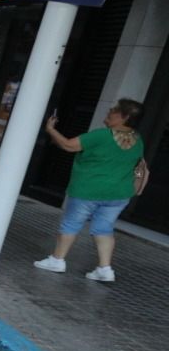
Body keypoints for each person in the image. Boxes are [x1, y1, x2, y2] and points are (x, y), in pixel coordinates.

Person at [34, 99, 148, 283]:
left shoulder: (102, 135)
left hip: (89, 190)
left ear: (124, 117)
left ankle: (57, 260)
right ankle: (105, 269)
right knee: (104, 228)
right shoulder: (138, 140)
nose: (109, 111)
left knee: (71, 224)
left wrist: (51, 130)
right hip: (119, 194)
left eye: (114, 110)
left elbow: (68, 145)